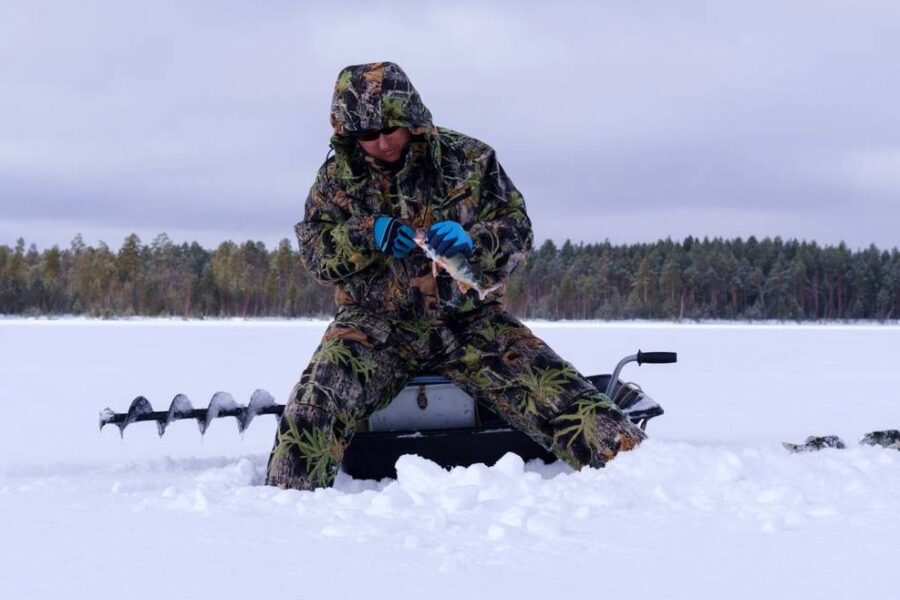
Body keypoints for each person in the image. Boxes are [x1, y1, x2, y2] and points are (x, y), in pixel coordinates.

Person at [266, 62, 644, 490]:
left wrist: (475, 241)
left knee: (565, 397)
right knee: (313, 406)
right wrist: (364, 235)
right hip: (372, 326)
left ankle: (648, 484)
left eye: (392, 128)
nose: (383, 142)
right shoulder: (336, 178)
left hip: (470, 322)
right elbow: (315, 253)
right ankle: (286, 515)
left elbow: (517, 232)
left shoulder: (470, 160)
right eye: (368, 135)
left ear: (411, 117)